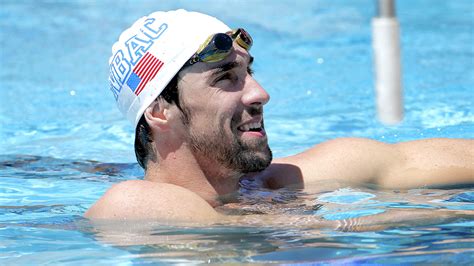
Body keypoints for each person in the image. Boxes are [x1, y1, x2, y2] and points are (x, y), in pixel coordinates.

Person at [85, 10, 473, 222]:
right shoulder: (132, 205)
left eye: (249, 72)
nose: (259, 93)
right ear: (158, 111)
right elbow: (242, 240)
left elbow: (401, 162)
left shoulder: (280, 184)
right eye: (227, 79)